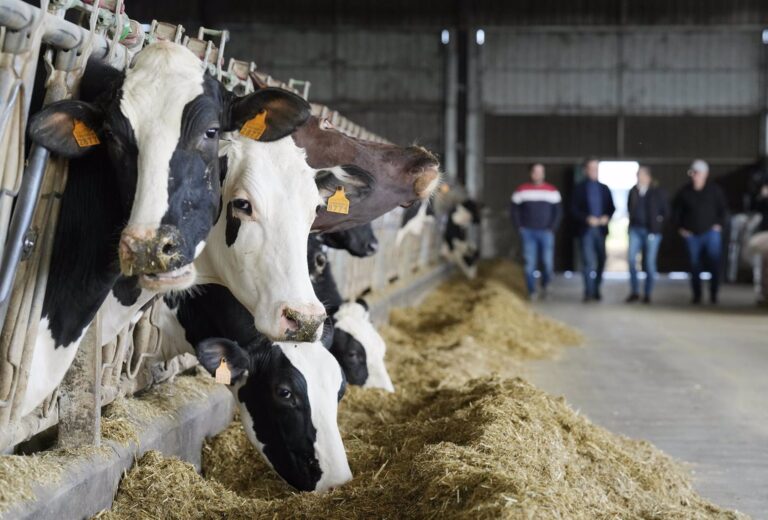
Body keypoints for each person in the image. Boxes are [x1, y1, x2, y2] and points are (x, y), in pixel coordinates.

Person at [672, 159, 729, 304]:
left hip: (711, 233)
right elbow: (676, 212)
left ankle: (714, 294)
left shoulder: (714, 191)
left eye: (697, 173)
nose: (694, 175)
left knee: (714, 264)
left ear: (705, 174)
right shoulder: (684, 192)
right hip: (691, 235)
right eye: (692, 172)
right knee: (694, 265)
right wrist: (680, 228)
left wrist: (719, 225)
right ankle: (697, 295)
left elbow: (723, 210)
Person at [510, 163, 562, 299]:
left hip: (546, 232)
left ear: (543, 174)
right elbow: (514, 210)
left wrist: (552, 228)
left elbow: (558, 212)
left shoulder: (552, 191)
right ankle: (531, 290)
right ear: (531, 173)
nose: (538, 174)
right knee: (529, 263)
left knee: (547, 263)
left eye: (540, 172)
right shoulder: (521, 190)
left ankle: (545, 285)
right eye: (535, 171)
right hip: (528, 232)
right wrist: (519, 227)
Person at [571, 157, 615, 302]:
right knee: (588, 262)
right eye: (591, 168)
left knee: (601, 260)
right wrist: (586, 218)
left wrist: (606, 217)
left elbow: (611, 208)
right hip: (586, 230)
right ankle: (588, 292)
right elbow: (573, 209)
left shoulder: (604, 188)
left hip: (601, 230)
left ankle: (596, 289)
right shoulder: (578, 189)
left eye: (596, 168)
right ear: (585, 170)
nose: (594, 171)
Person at [626, 165, 668, 304]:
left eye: (642, 175)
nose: (639, 177)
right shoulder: (633, 191)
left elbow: (665, 212)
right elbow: (630, 209)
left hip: (652, 232)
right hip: (635, 230)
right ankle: (634, 291)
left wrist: (657, 226)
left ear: (648, 177)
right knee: (631, 260)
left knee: (649, 263)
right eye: (638, 175)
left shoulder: (657, 192)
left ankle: (647, 294)